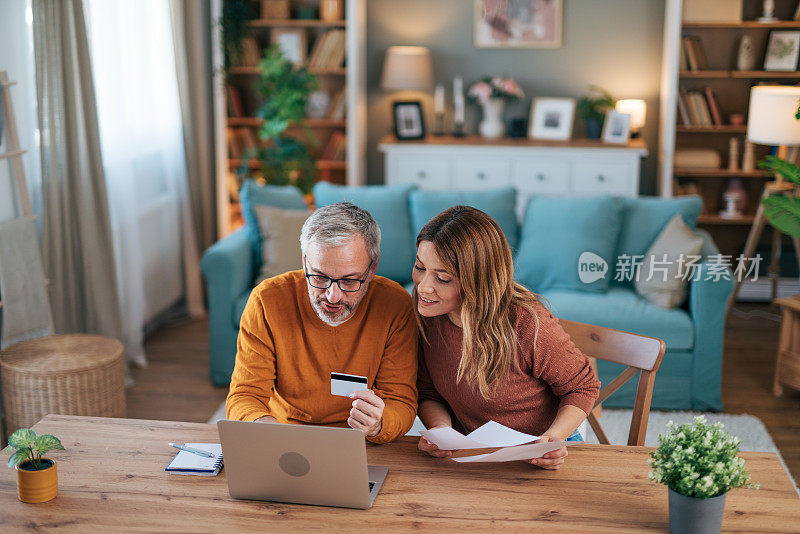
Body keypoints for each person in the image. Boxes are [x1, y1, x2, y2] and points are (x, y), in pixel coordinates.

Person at [413, 206, 600, 469]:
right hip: (476, 454)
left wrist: (552, 440)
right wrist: (441, 433)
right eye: (420, 267)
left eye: (443, 278)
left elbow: (582, 387)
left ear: (478, 281)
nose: (423, 287)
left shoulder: (526, 322)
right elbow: (427, 390)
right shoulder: (428, 312)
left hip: (544, 452)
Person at [226, 202, 418, 444]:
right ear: (305, 262)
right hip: (283, 435)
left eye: (349, 281)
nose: (332, 296)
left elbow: (401, 401)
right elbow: (244, 396)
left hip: (361, 441)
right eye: (319, 277)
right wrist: (267, 431)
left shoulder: (395, 305)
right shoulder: (267, 300)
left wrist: (379, 423)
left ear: (372, 268)